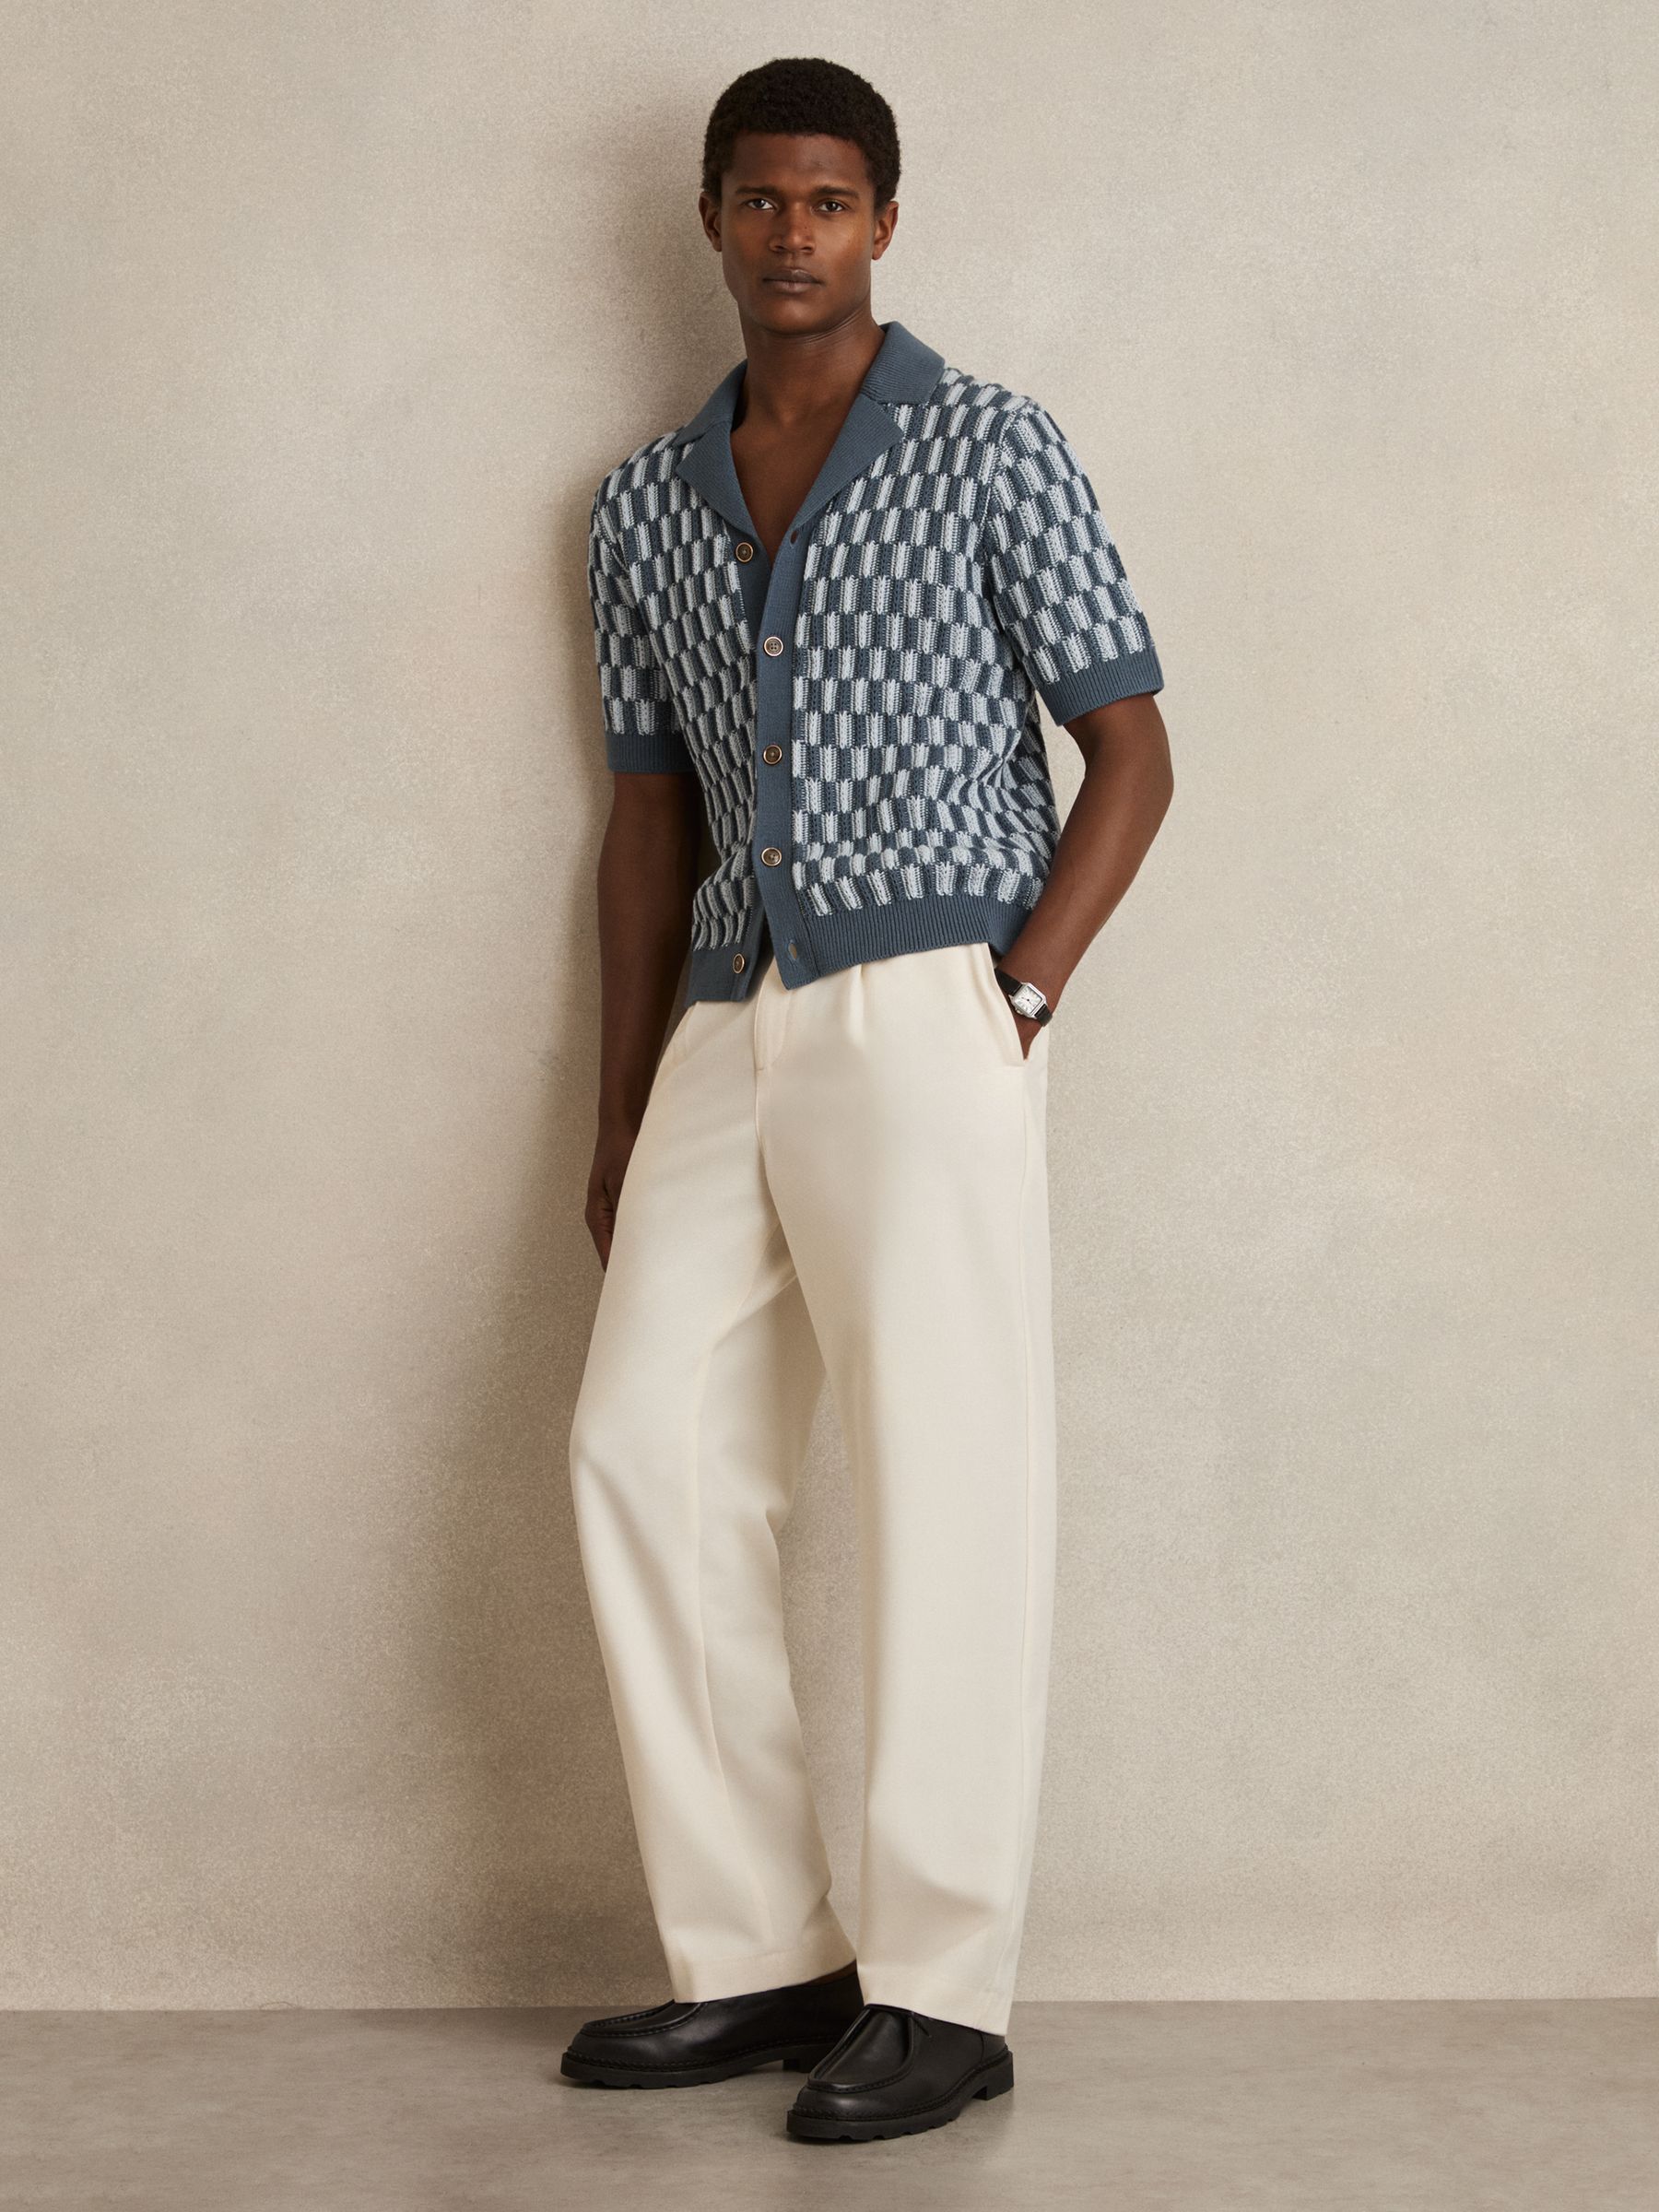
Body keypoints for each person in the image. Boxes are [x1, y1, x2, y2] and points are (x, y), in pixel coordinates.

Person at [562, 55, 1172, 2144]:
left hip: (932, 1003)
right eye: (759, 199)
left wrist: (1020, 994)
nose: (793, 233)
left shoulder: (993, 443)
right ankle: (759, 1952)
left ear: (885, 223)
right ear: (711, 222)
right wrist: (623, 1101)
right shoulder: (642, 505)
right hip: (728, 1011)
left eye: (829, 200)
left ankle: (941, 1989)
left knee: (946, 1474)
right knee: (642, 1449)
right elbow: (648, 820)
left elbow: (1132, 749)